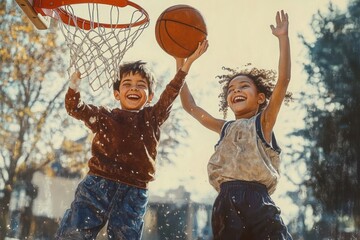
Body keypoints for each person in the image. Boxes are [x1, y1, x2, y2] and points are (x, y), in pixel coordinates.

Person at [55, 40, 208, 240]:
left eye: (141, 85)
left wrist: (185, 67)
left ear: (150, 96)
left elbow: (170, 94)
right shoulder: (105, 117)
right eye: (127, 84)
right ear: (117, 93)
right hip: (98, 184)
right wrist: (74, 87)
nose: (134, 88)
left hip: (134, 190)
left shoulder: (153, 117)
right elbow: (76, 109)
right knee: (74, 233)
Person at [179, 10, 293, 239]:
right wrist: (181, 62)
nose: (236, 91)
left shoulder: (264, 122)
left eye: (243, 87)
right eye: (231, 89)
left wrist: (283, 38)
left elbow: (283, 80)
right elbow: (190, 106)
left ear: (261, 97)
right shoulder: (225, 127)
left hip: (258, 198)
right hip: (226, 201)